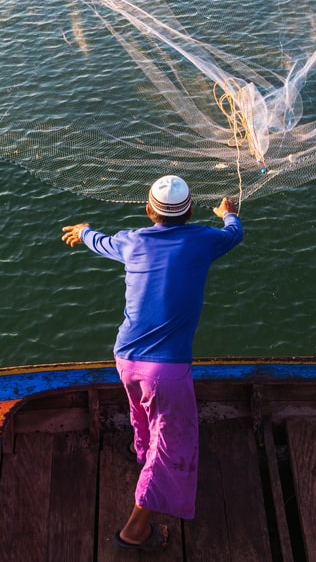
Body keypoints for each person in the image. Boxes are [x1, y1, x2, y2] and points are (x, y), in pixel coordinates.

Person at [61, 175, 243, 552]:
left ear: (148, 212)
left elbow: (100, 241)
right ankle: (134, 531)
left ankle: (139, 450)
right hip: (166, 370)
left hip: (125, 356)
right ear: (191, 211)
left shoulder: (131, 240)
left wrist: (84, 231)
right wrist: (229, 213)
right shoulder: (203, 240)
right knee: (173, 447)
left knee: (140, 411)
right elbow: (233, 234)